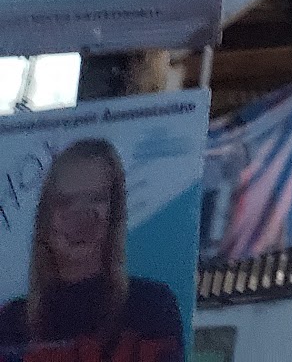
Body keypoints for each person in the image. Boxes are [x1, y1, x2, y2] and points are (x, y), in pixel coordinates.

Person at [0, 140, 183, 361]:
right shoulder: (11, 322)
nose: (81, 217)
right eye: (65, 201)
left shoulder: (152, 306)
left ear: (114, 214)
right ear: (45, 218)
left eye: (96, 199)